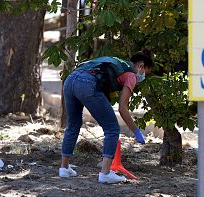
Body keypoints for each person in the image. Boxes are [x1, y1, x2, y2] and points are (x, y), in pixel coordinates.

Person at [59, 50, 154, 184]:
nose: (143, 77)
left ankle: (64, 168)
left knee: (73, 125)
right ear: (140, 66)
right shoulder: (131, 75)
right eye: (145, 73)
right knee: (112, 129)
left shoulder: (116, 62)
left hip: (70, 80)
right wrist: (136, 131)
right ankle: (105, 173)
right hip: (87, 83)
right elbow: (122, 108)